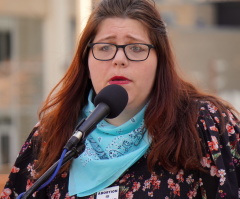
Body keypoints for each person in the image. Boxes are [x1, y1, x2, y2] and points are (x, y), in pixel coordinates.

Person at [1, 0, 240, 198]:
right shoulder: (50, 136)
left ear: (160, 61)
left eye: (136, 48)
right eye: (105, 47)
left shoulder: (206, 126)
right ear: (87, 59)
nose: (119, 59)